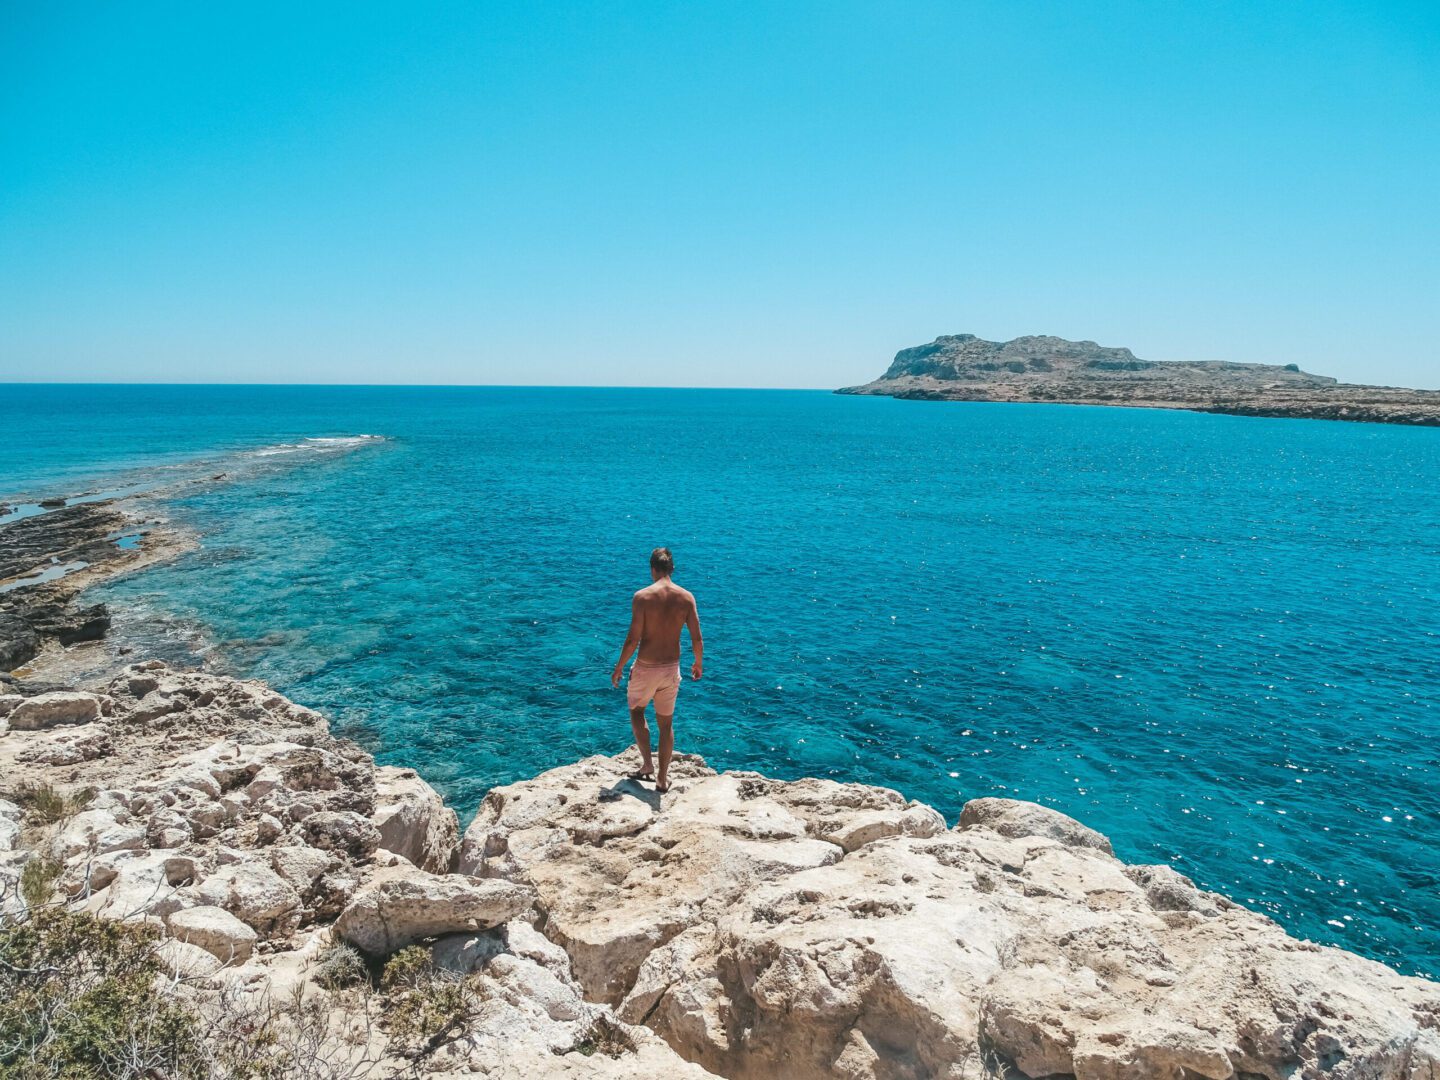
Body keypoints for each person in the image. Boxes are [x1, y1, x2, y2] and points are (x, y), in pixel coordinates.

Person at [611, 546, 703, 793]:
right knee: (666, 724)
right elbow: (696, 637)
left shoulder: (642, 597)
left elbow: (633, 639)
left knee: (637, 711)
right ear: (672, 569)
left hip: (646, 667)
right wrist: (698, 662)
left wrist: (619, 667)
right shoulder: (686, 597)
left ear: (652, 569)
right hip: (671, 668)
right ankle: (663, 778)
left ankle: (647, 765)